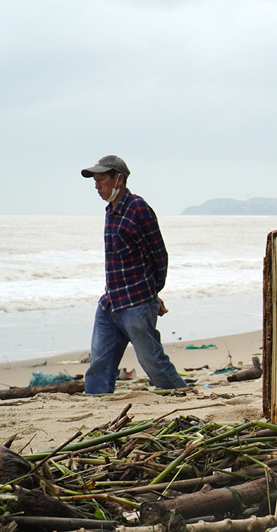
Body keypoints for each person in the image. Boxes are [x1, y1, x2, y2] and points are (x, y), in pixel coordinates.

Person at [80, 155, 187, 394]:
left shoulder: (138, 208)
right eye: (94, 181)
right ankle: (97, 403)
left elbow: (159, 255)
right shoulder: (111, 210)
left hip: (136, 304)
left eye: (101, 180)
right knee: (99, 363)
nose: (97, 186)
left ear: (119, 178)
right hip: (111, 303)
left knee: (152, 362)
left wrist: (151, 294)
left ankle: (183, 397)